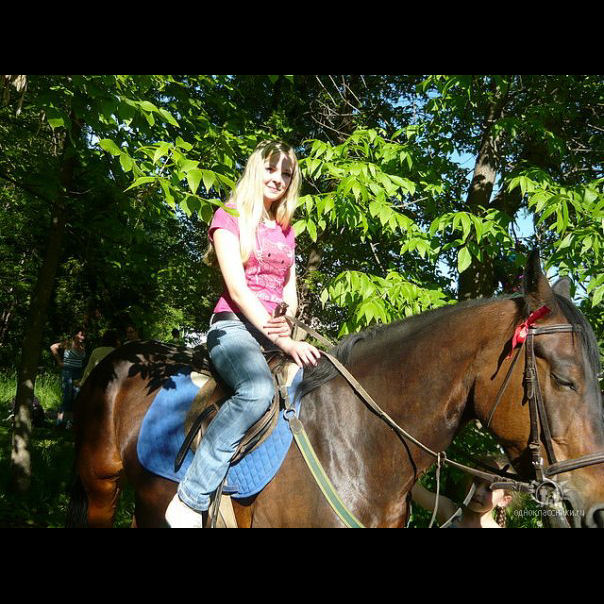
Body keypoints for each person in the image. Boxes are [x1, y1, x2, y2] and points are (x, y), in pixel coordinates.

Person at [165, 140, 321, 528]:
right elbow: (237, 290)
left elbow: (289, 293)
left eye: (287, 173)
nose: (278, 179)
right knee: (256, 391)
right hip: (233, 328)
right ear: (256, 169)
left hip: (273, 333)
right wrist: (283, 340)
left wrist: (287, 320)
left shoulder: (285, 230)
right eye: (271, 169)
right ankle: (190, 496)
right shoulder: (229, 217)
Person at [411, 455, 515, 528]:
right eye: (476, 482)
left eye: (489, 489)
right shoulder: (447, 509)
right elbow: (411, 488)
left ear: (504, 500)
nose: (478, 492)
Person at [50, 327, 87, 429]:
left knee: (75, 397)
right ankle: (59, 423)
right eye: (81, 335)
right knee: (67, 397)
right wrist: (59, 361)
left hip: (78, 373)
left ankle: (70, 423)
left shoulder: (82, 346)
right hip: (68, 371)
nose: (83, 337)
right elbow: (53, 347)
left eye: (84, 335)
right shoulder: (68, 344)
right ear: (75, 335)